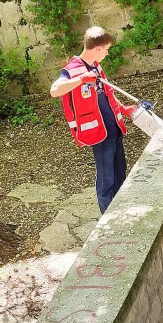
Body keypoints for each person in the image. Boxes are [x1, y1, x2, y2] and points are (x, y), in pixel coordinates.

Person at [50, 26, 137, 214]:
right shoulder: (72, 70)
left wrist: (123, 108)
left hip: (113, 129)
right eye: (106, 50)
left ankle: (120, 210)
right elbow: (55, 90)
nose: (107, 54)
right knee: (107, 179)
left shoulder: (96, 65)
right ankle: (108, 218)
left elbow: (107, 94)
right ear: (97, 49)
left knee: (119, 173)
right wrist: (81, 79)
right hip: (99, 134)